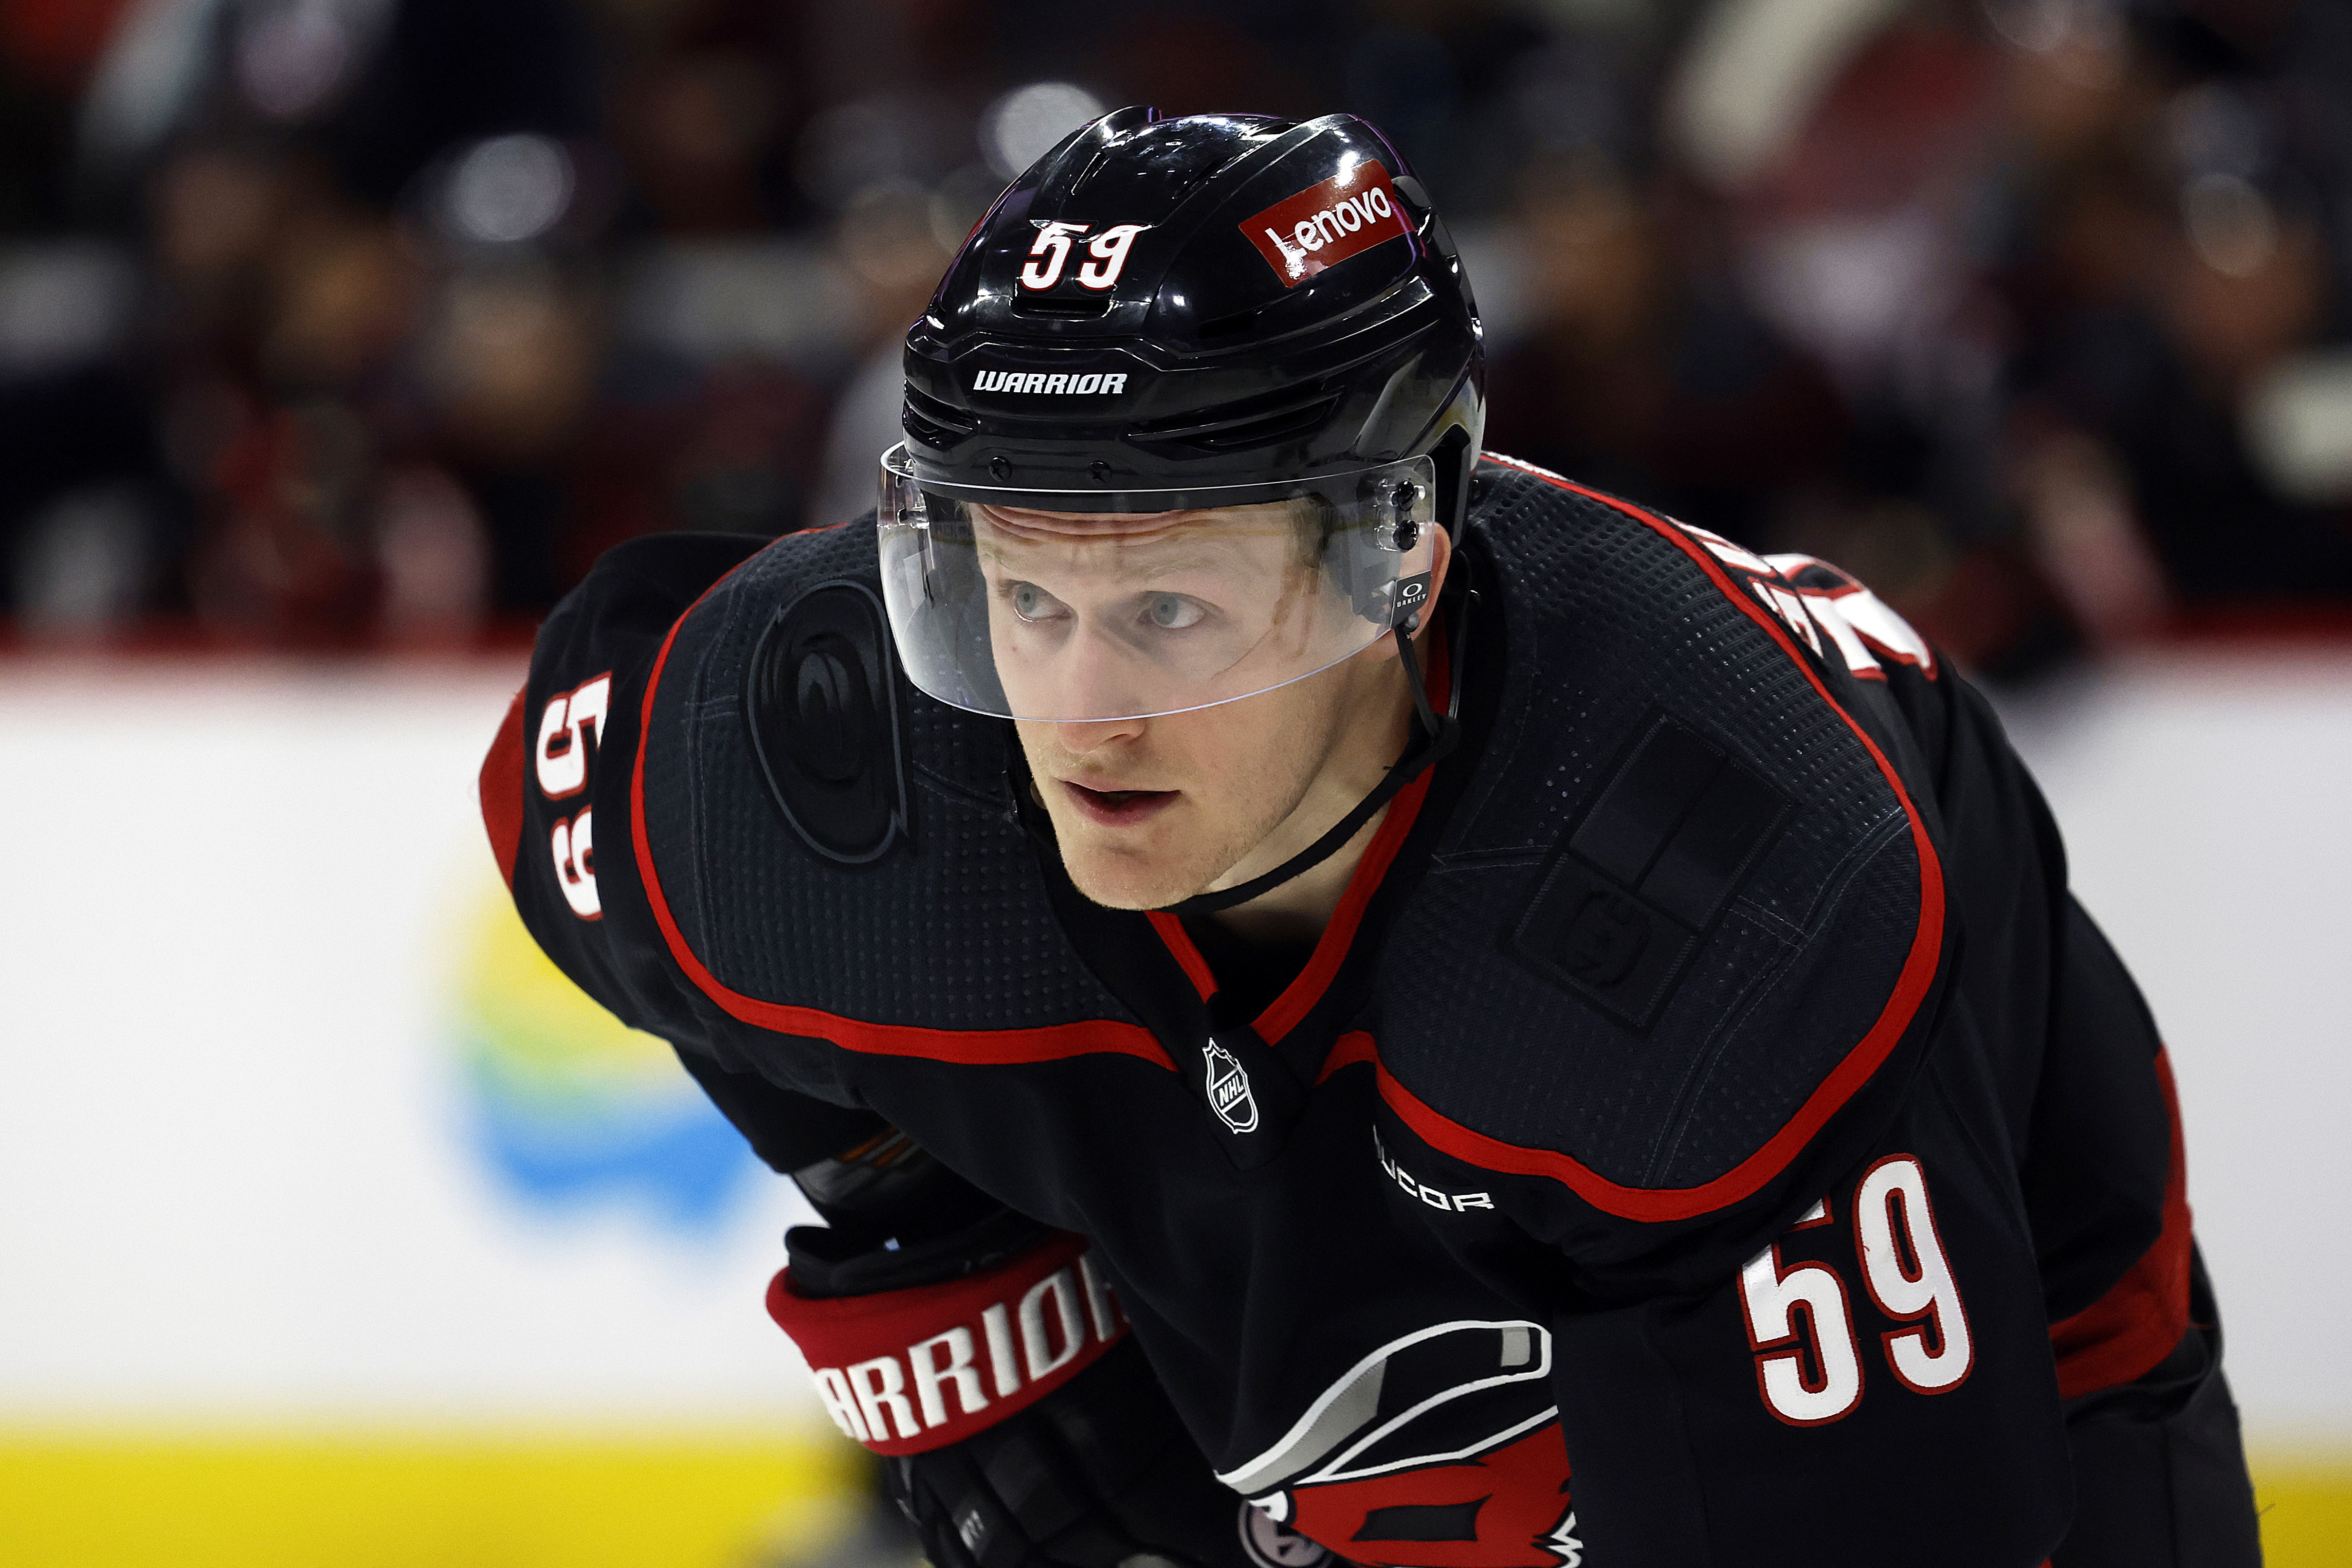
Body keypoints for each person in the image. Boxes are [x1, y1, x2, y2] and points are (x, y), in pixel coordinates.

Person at [478, 109, 2262, 1568]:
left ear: (1396, 553)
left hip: (1963, 1246)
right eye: (1015, 596)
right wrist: (915, 1221)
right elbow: (579, 794)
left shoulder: (1725, 892)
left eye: (1172, 610)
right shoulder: (800, 760)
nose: (1078, 717)